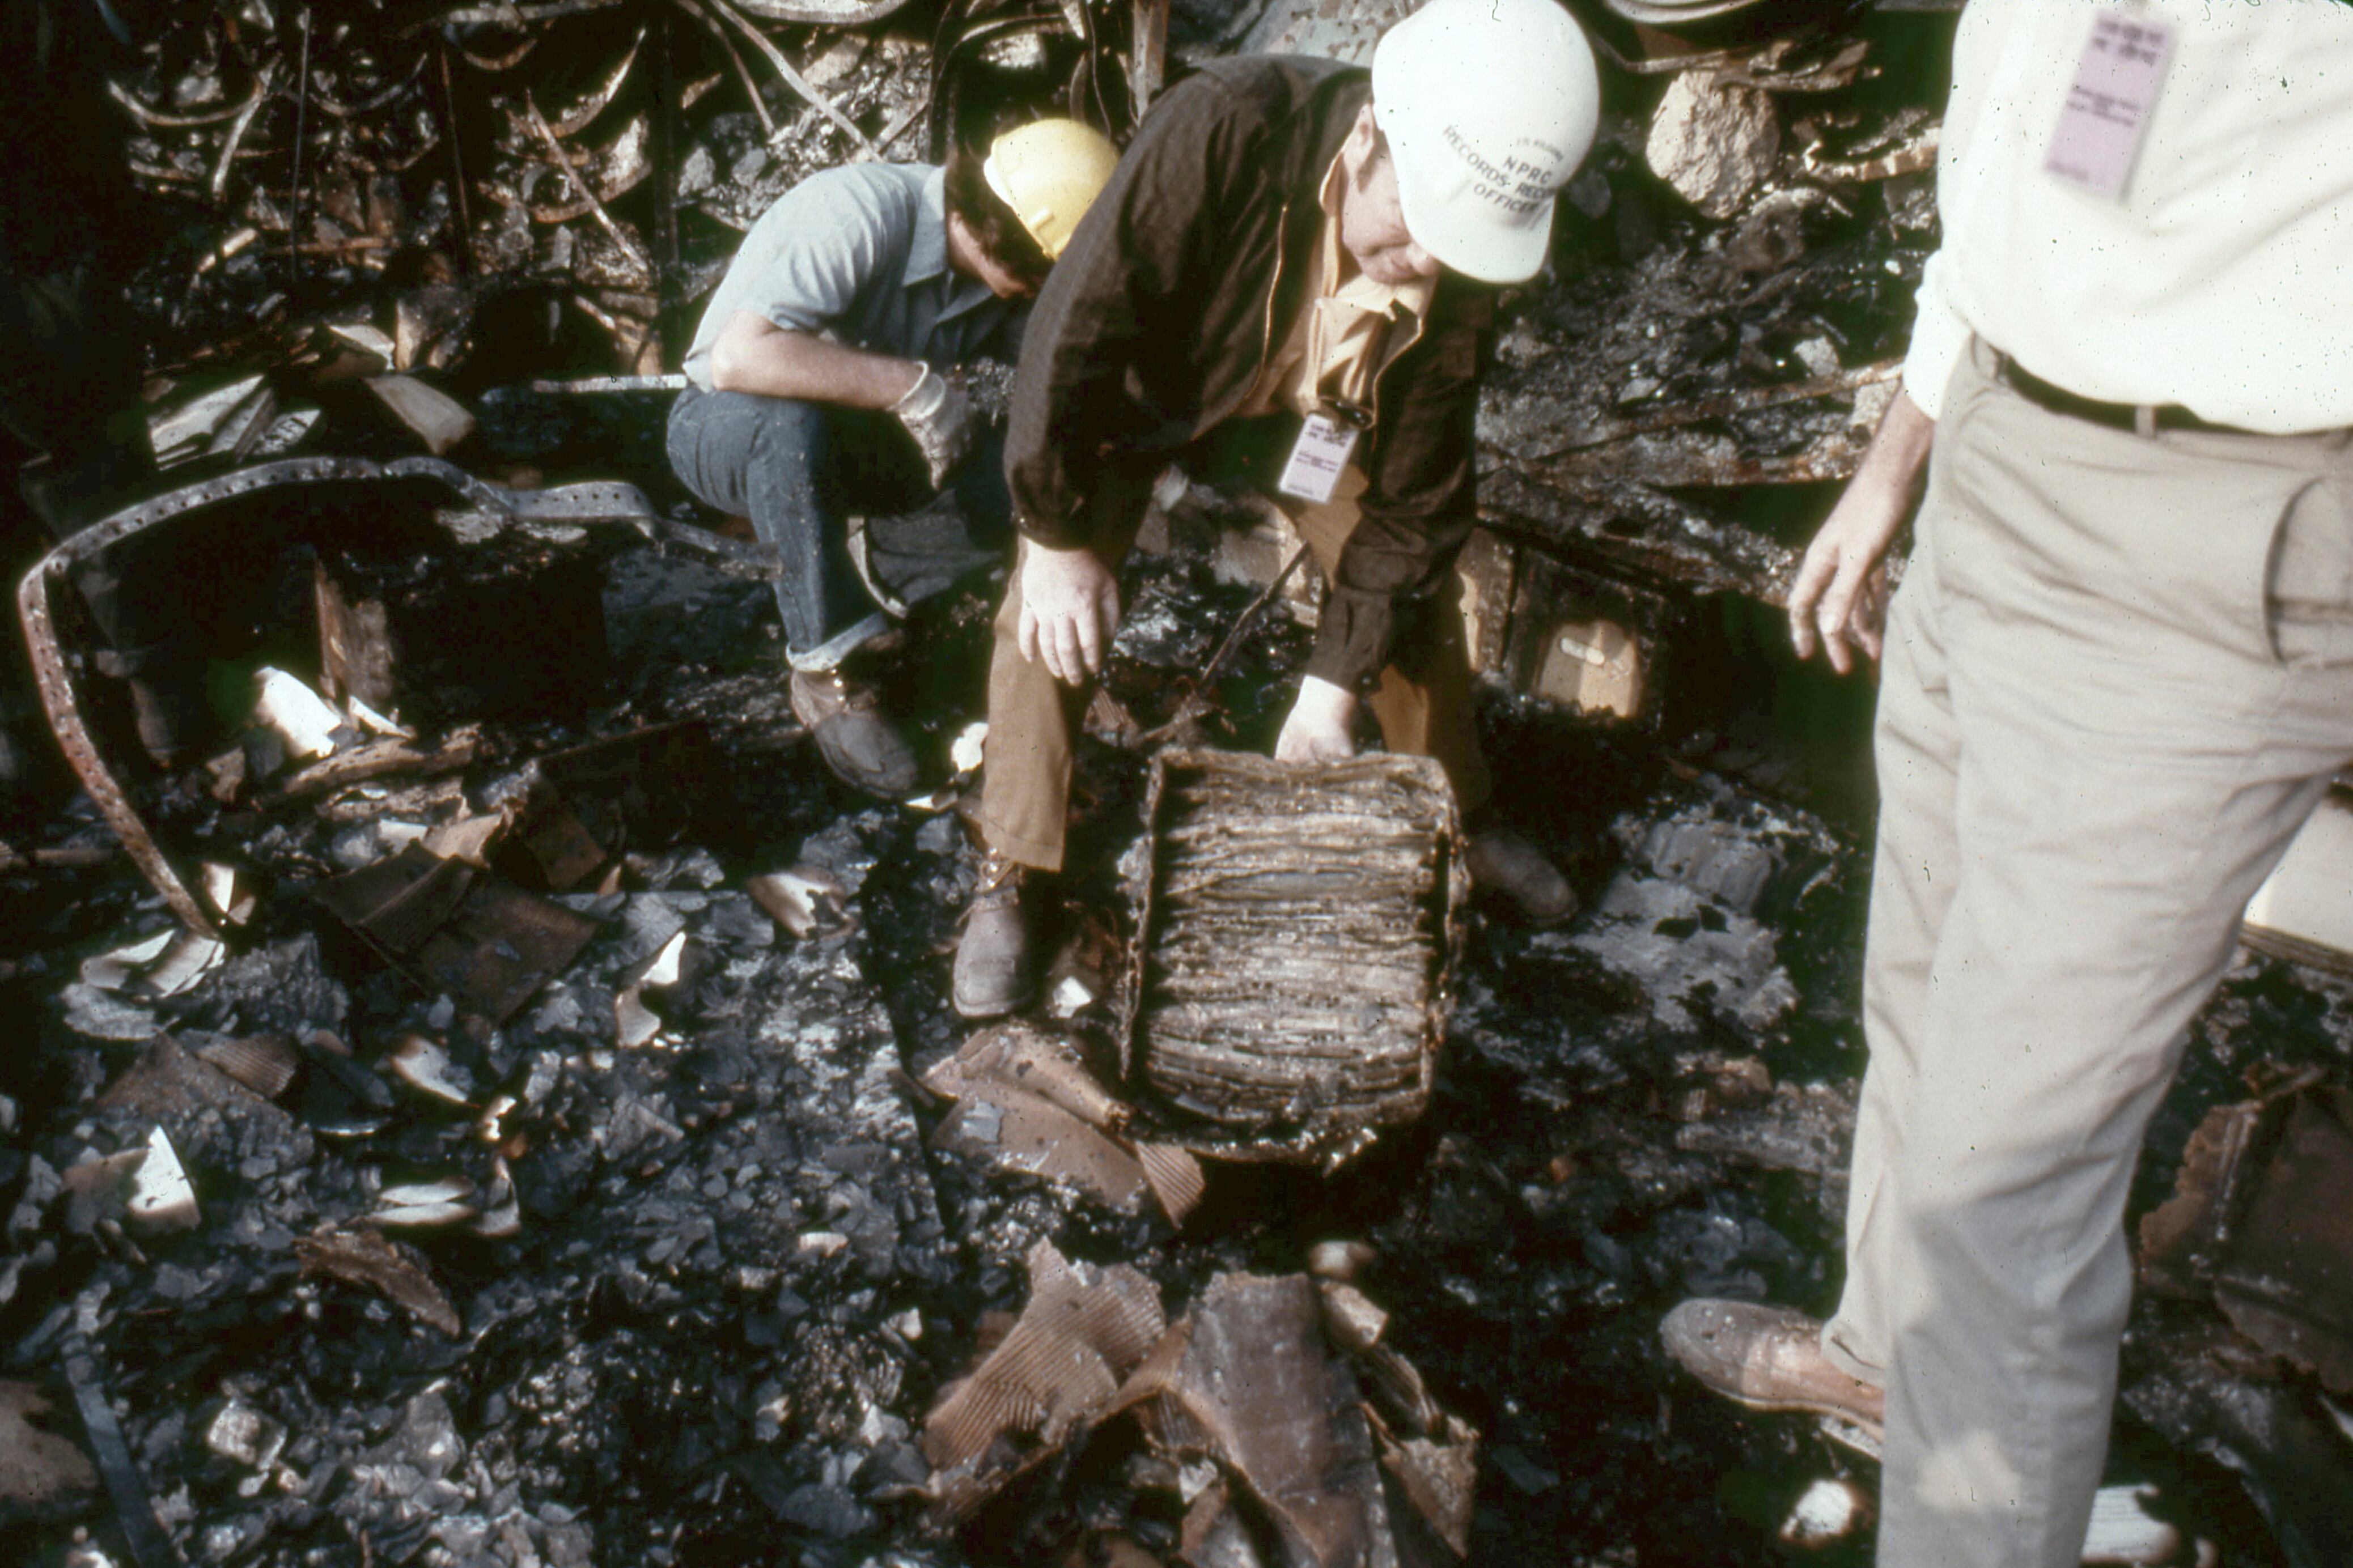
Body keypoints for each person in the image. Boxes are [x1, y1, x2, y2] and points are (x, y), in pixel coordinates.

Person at [1660, 3, 2353, 1563]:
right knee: (1916, 985)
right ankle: (1883, 1370)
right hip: (1990, 436)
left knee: (2000, 1178)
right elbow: (2024, 138)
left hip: (2218, 514)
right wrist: (1897, 450)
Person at [950, 0, 1601, 1019]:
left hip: (1307, 417)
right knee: (1047, 616)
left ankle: (1461, 814)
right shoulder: (1225, 126)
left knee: (1405, 602)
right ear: (1373, 135)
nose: (1428, 264)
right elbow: (1074, 331)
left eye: (1455, 247)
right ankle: (1015, 868)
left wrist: (1329, 693)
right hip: (1156, 394)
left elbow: (1421, 502)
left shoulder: (1463, 263)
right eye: (1418, 227)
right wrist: (1052, 534)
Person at [666, 120, 1118, 796]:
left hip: (855, 451)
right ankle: (827, 667)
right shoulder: (859, 213)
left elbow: (1063, 397)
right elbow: (739, 359)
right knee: (792, 420)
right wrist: (911, 386)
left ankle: (897, 599)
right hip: (726, 429)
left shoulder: (1001, 279)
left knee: (1021, 479)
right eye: (1043, 275)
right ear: (1008, 240)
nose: (1039, 292)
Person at [0, 0, 207, 793]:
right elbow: (84, 119)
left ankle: (42, 733)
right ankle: (161, 711)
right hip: (45, 259)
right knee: (93, 480)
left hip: (42, 256)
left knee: (84, 478)